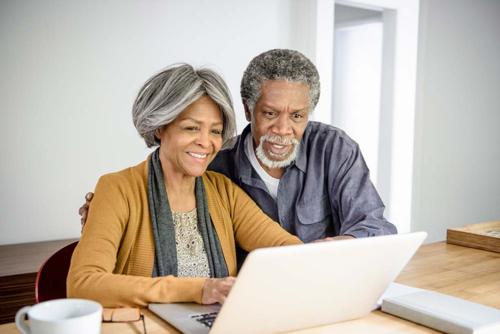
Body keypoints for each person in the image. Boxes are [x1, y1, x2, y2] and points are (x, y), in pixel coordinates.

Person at [80, 49, 396, 249]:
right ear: (247, 110)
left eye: (297, 116)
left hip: (318, 289)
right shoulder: (214, 166)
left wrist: (332, 251)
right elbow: (160, 204)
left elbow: (375, 227)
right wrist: (109, 219)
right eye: (270, 114)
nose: (283, 130)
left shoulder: (333, 149)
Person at [67, 64, 302, 308]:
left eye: (215, 131)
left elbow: (287, 250)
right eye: (191, 128)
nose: (205, 142)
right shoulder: (117, 189)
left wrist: (320, 255)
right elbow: (83, 284)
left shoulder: (223, 191)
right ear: (160, 127)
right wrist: (199, 289)